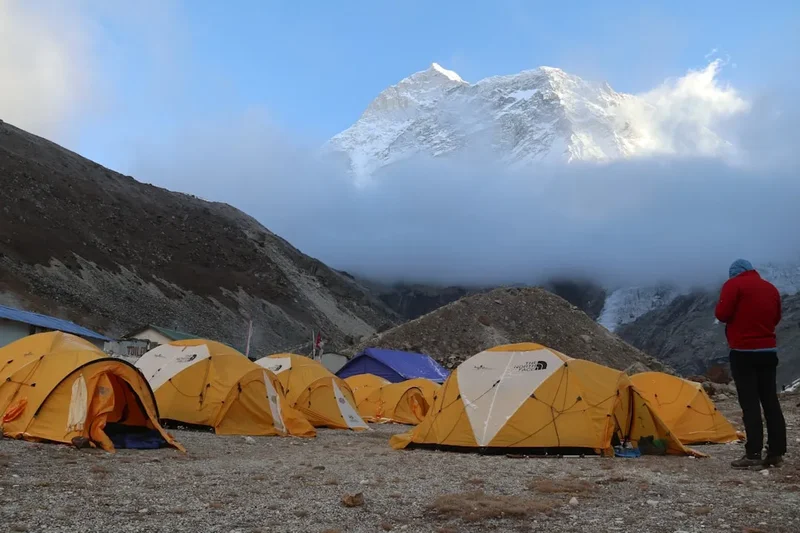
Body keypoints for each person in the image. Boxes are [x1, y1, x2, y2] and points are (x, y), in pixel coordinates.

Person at [715, 259, 786, 468]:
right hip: (768, 352)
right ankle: (776, 452)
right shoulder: (770, 288)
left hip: (743, 352)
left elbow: (722, 314)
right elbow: (776, 317)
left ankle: (753, 453)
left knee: (750, 403)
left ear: (735, 273)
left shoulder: (733, 285)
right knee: (770, 401)